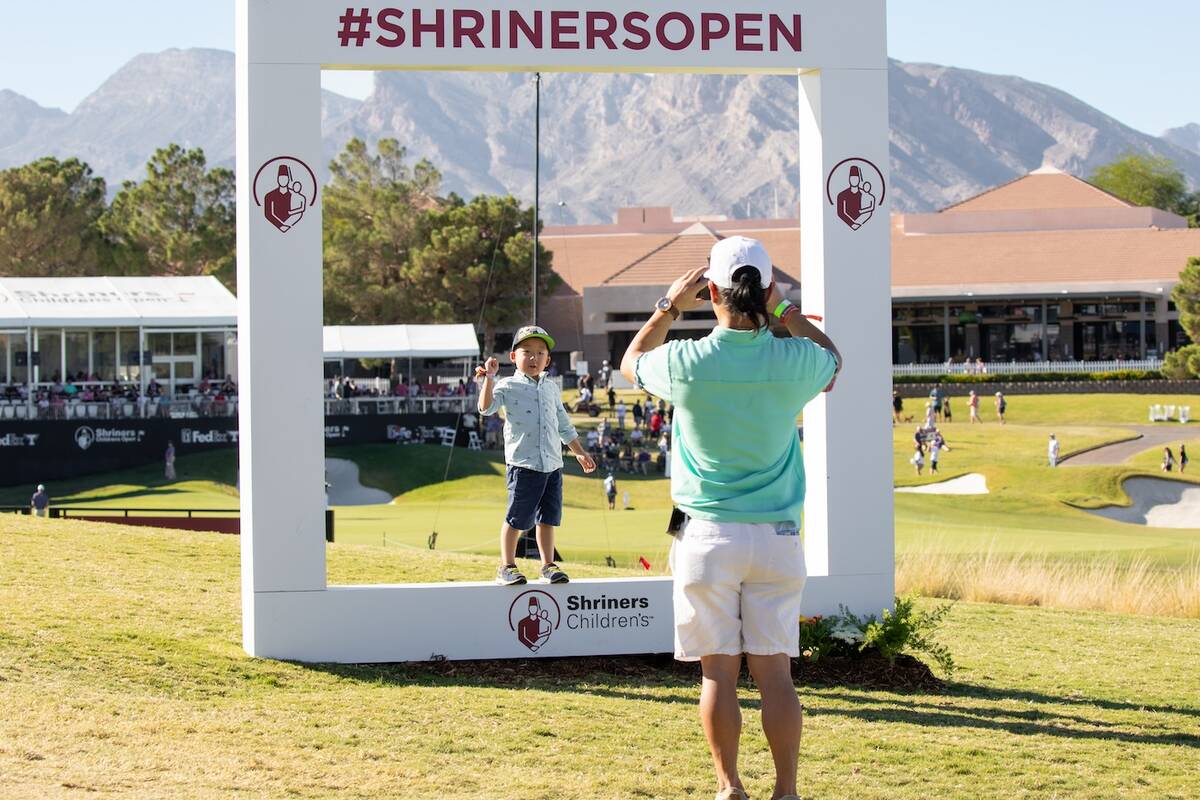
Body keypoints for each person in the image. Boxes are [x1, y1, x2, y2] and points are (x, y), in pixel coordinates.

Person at [619, 236, 841, 800]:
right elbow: (833, 359)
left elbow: (629, 365)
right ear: (767, 290)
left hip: (706, 538)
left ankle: (729, 788)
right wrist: (787, 312)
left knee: (718, 673)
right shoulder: (793, 359)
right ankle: (786, 792)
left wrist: (669, 307)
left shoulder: (685, 359)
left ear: (710, 291)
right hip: (777, 538)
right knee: (776, 675)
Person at [478, 325, 597, 586]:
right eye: (527, 352)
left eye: (540, 353)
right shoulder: (507, 386)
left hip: (552, 464)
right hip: (523, 464)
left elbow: (564, 425)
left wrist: (579, 453)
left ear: (548, 359)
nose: (534, 358)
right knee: (517, 518)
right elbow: (486, 409)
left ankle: (547, 565)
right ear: (513, 357)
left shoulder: (551, 388)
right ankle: (507, 566)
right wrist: (489, 378)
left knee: (548, 519)